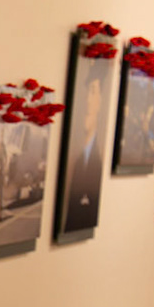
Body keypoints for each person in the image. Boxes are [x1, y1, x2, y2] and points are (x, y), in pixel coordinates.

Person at [63, 66, 108, 233]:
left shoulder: (96, 161)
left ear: (101, 101)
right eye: (86, 92)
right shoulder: (76, 158)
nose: (87, 100)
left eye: (93, 92)